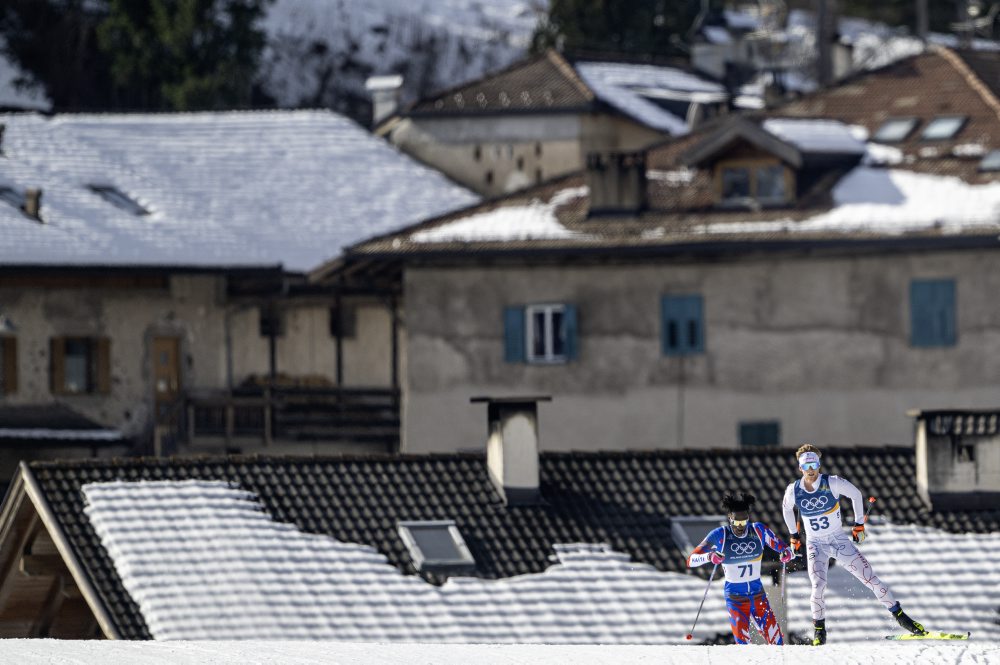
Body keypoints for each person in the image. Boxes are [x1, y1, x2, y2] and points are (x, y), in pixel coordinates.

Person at [782, 444, 926, 645]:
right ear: (800, 468)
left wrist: (859, 524)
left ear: (819, 464)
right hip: (815, 544)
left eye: (814, 464)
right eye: (806, 466)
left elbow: (856, 494)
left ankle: (901, 617)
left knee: (870, 578)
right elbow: (786, 509)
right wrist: (794, 535)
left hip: (838, 540)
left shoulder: (831, 482)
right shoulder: (793, 490)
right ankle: (819, 632)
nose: (811, 469)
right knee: (817, 586)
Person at [688, 491, 794, 645]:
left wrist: (786, 553)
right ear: (730, 519)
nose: (740, 527)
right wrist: (710, 556)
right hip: (736, 599)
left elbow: (783, 548)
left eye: (744, 522)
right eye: (737, 523)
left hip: (758, 595)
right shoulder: (720, 535)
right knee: (743, 645)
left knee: (777, 642)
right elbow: (690, 560)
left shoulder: (758, 530)